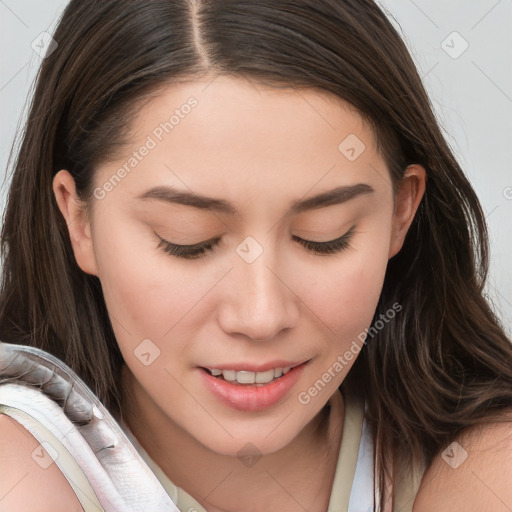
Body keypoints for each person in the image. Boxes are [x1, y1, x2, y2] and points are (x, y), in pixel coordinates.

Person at [1, 1, 512, 510]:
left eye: (324, 236)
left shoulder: (482, 465)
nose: (261, 316)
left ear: (402, 212)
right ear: (79, 221)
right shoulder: (21, 466)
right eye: (187, 240)